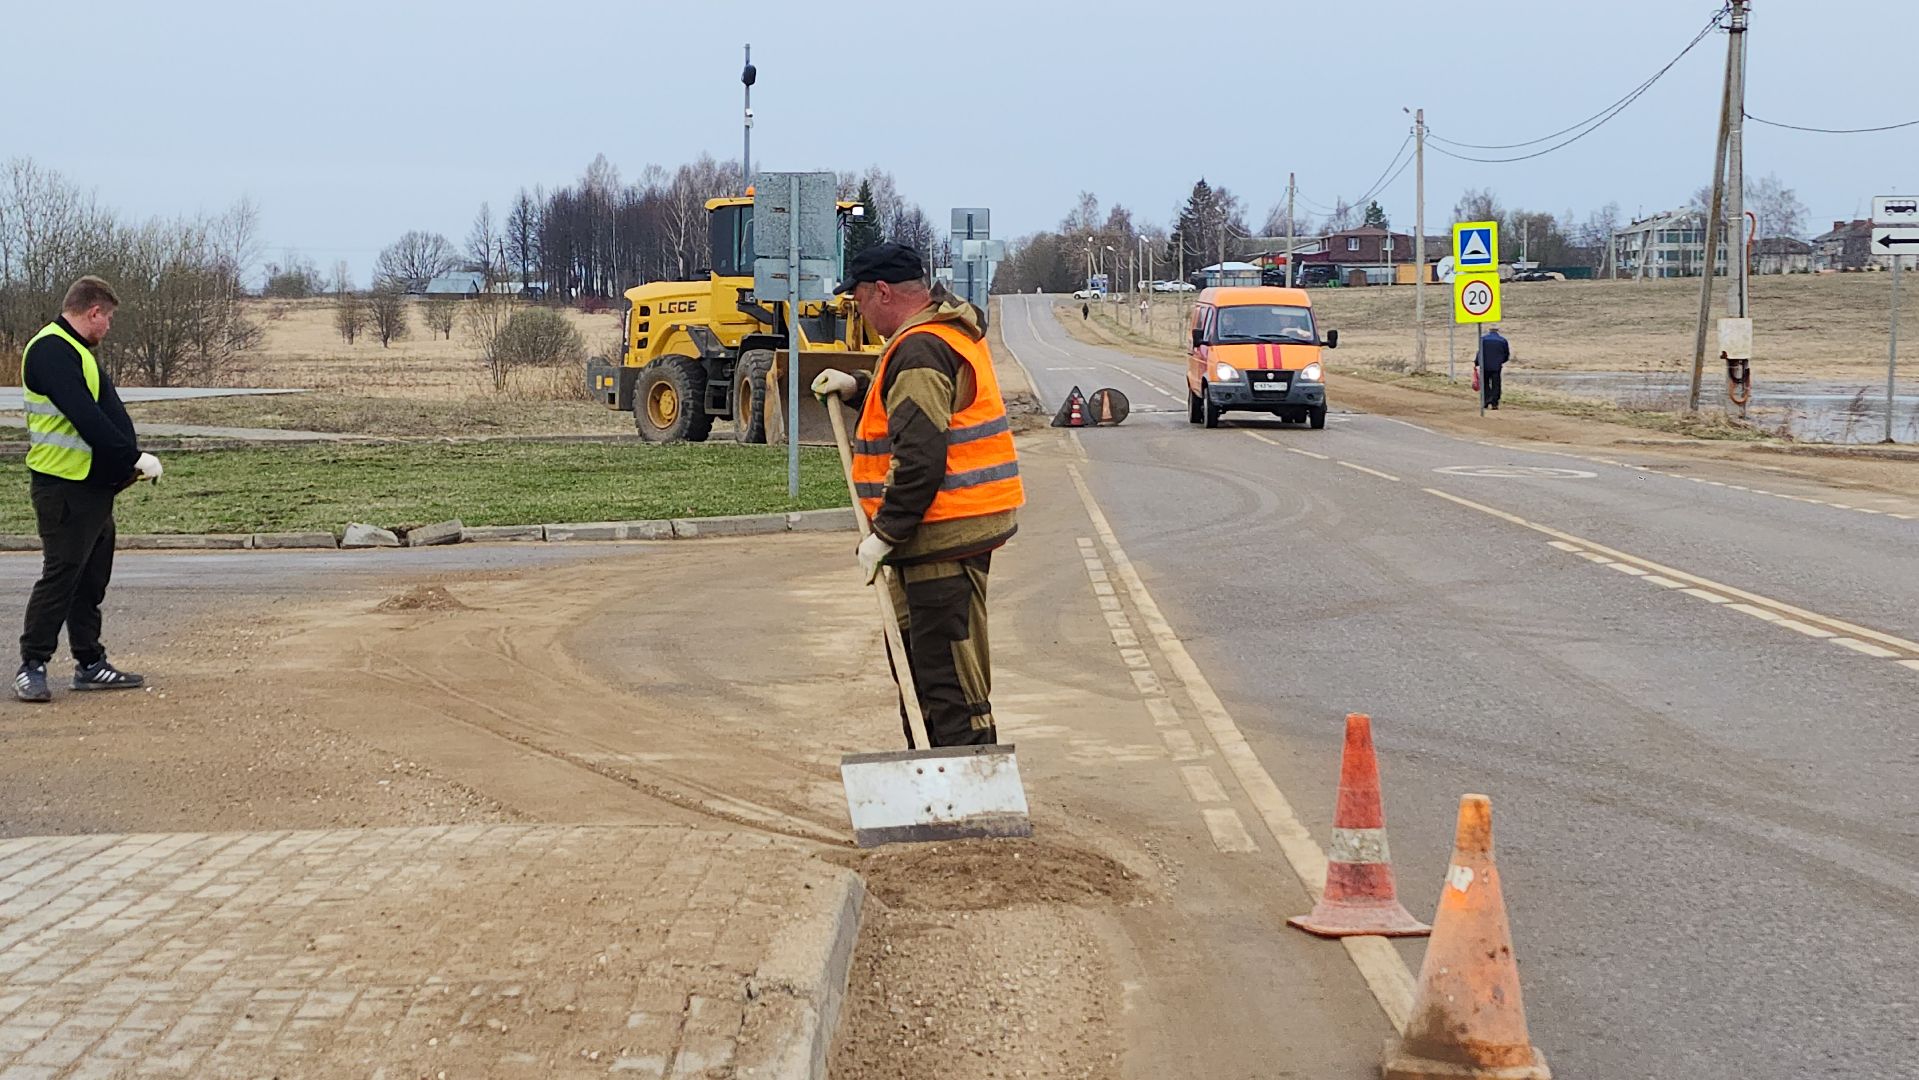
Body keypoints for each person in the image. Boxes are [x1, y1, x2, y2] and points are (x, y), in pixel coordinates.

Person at [810, 244, 1023, 748]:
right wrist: (860, 386)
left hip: (942, 534)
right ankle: (938, 771)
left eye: (860, 300)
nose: (860, 312)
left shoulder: (921, 347)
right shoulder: (934, 336)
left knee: (945, 677)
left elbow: (921, 456)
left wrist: (884, 534)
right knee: (927, 671)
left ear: (882, 292)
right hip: (942, 533)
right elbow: (919, 404)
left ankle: (962, 779)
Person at [15, 277, 160, 703]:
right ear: (93, 311)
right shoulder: (50, 350)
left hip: (92, 487)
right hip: (63, 486)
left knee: (91, 580)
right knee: (62, 575)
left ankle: (90, 662)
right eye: (108, 318)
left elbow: (101, 412)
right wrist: (131, 457)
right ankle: (31, 665)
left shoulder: (75, 350)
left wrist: (122, 466)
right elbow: (85, 417)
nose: (109, 326)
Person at [1475, 326, 1511, 410]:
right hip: (1496, 366)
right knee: (1496, 384)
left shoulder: (1483, 339)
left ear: (1489, 330)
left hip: (1485, 366)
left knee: (1485, 383)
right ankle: (1495, 402)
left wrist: (1477, 362)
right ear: (1497, 330)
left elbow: (1479, 352)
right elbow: (1506, 354)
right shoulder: (1502, 340)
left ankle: (1486, 400)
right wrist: (1501, 361)